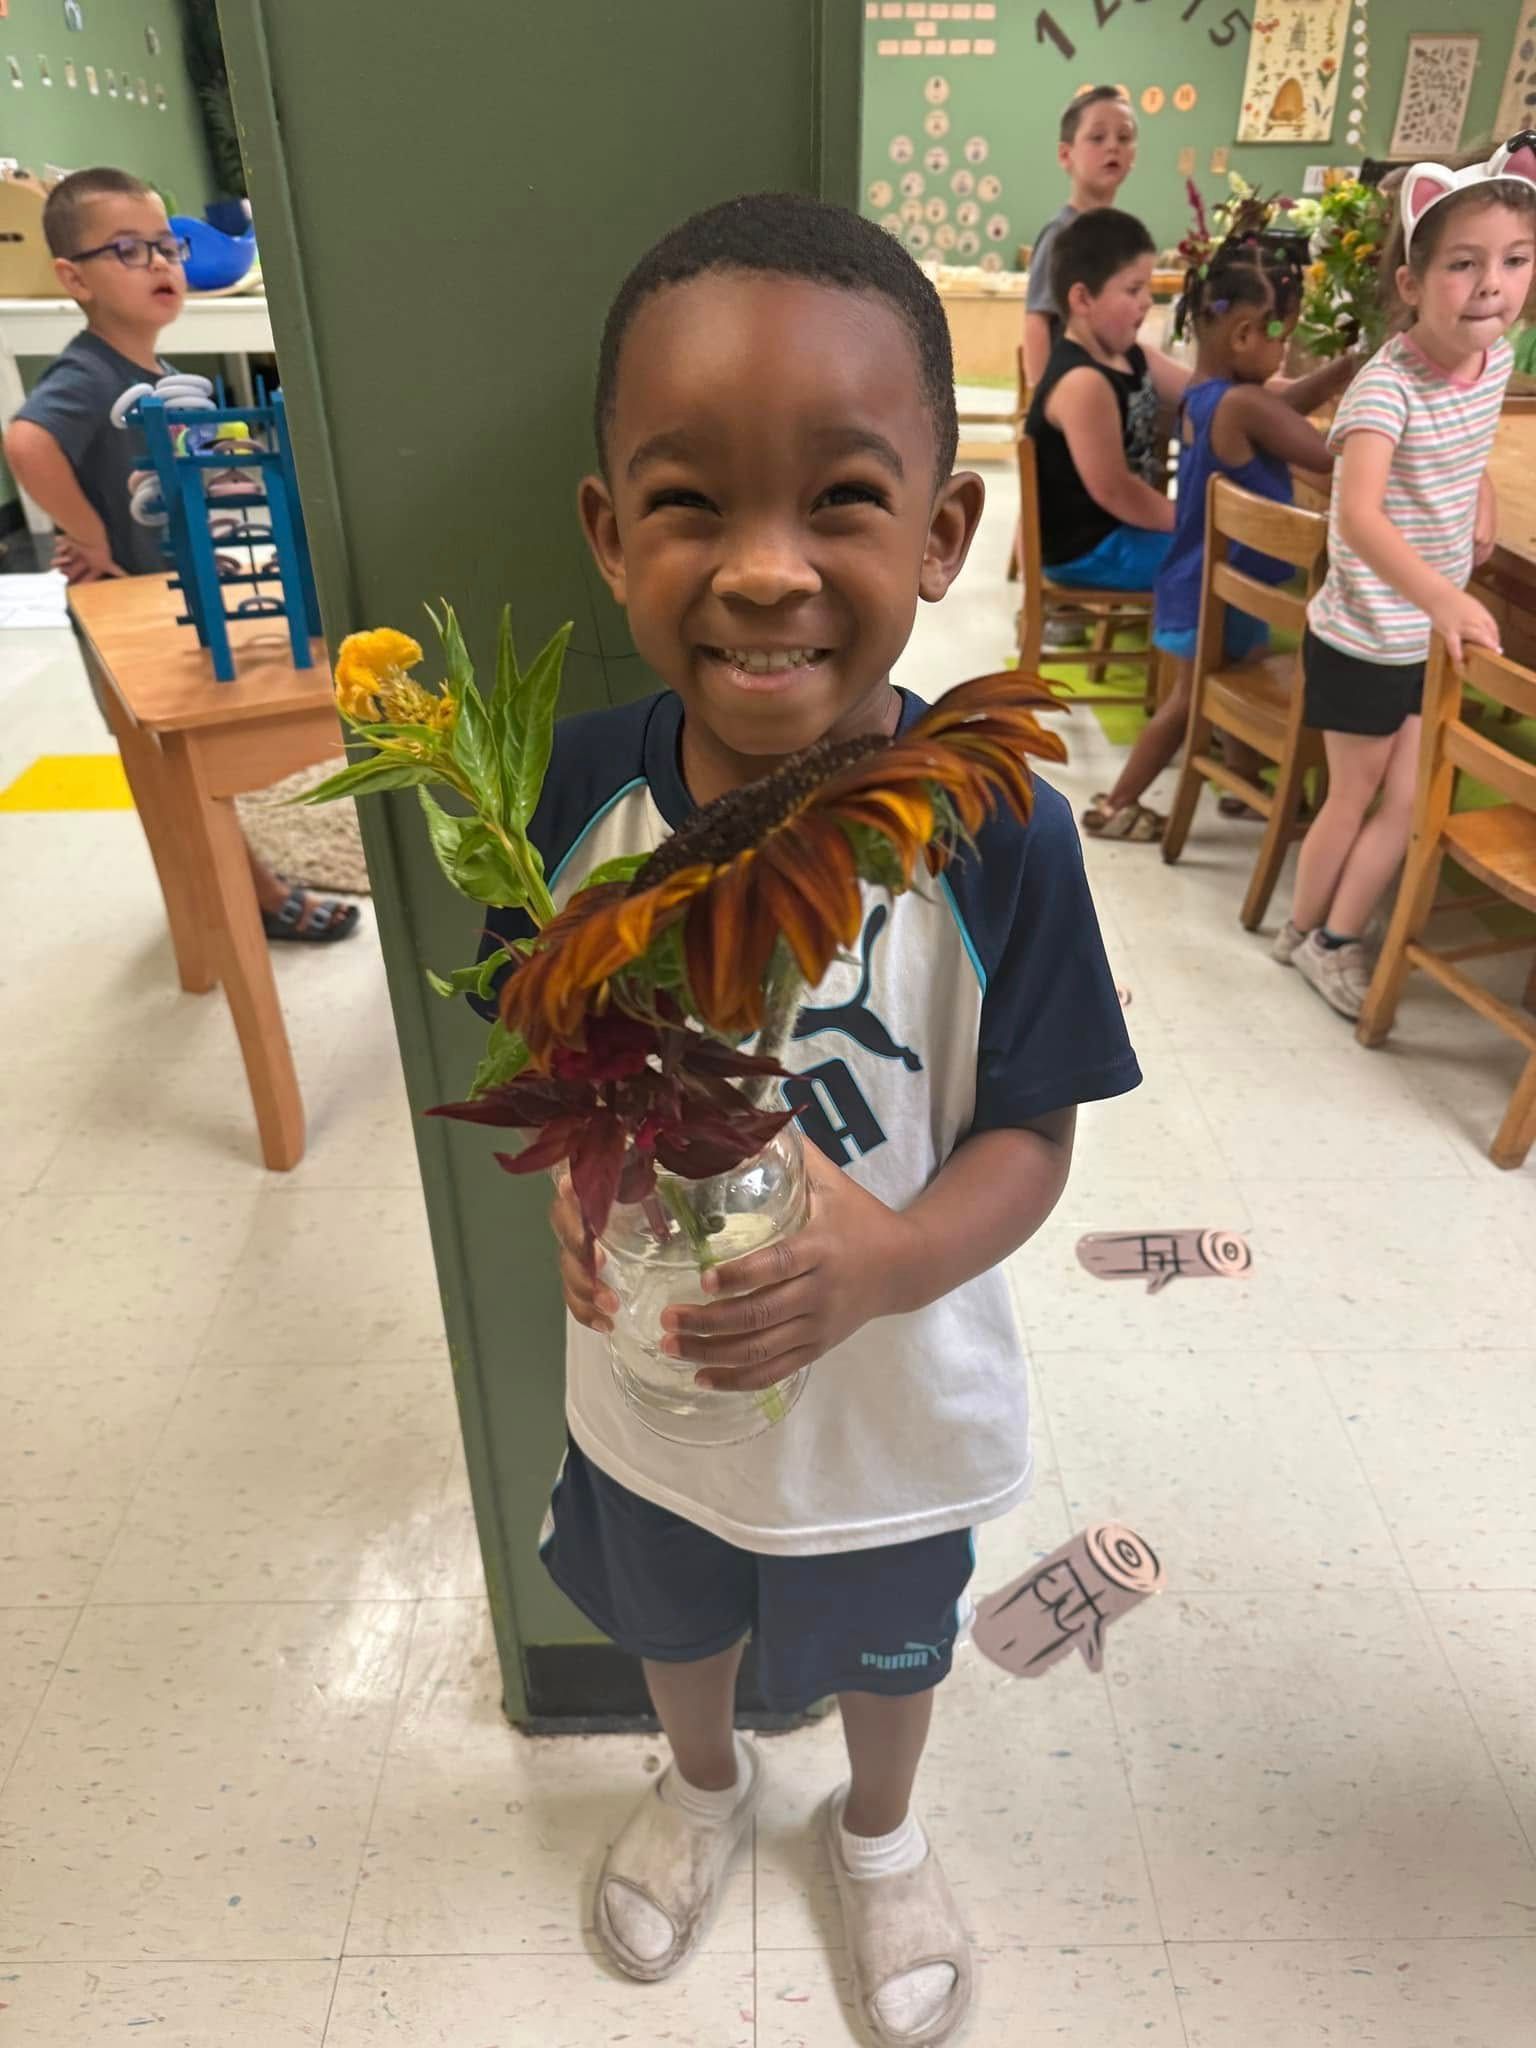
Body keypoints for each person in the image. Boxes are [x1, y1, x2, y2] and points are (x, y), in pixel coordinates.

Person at [476, 192, 1140, 2047]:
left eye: (840, 498)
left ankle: (879, 1826)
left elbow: (1034, 1130)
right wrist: (572, 1177)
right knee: (667, 1605)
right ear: (611, 535)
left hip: (886, 1392)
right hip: (651, 1371)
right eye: (691, 500)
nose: (764, 569)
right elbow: (542, 1042)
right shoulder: (570, 788)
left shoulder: (994, 822)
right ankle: (701, 1788)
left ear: (942, 533)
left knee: (887, 1635)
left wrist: (891, 1258)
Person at [3, 167, 358, 945]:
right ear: (74, 277)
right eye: (129, 250)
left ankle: (225, 891)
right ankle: (250, 897)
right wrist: (89, 535)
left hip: (168, 601)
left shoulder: (149, 373)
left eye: (168, 246)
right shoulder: (90, 372)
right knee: (179, 775)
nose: (162, 264)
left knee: (182, 774)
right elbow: (26, 441)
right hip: (129, 620)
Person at [1278, 136, 1536, 1016]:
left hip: (1426, 634)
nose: (1492, 284)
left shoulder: (1494, 361)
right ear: (1412, 284)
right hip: (1364, 635)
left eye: (1513, 260)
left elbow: (1461, 462)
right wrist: (1443, 594)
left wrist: (1482, 506)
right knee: (1354, 796)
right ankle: (1307, 931)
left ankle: (1332, 935)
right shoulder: (1387, 387)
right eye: (1464, 264)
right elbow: (1357, 516)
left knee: (1409, 795)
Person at [1081, 229, 1354, 840]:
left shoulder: (1209, 398)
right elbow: (1322, 452)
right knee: (1188, 703)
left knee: (1233, 671)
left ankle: (1240, 783)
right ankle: (1115, 804)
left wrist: (1348, 366)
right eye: (1281, 335)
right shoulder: (1243, 407)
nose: (1285, 353)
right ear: (1244, 335)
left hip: (1205, 581)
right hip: (1215, 590)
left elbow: (1283, 408)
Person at [1025, 208, 1186, 608]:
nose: (1148, 302)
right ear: (1082, 298)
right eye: (1133, 290)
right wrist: (1194, 520)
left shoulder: (1131, 356)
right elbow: (1117, 492)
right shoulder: (1083, 383)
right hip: (1087, 549)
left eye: (1147, 289)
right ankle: (1211, 668)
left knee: (1224, 552)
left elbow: (1202, 391)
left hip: (1120, 531)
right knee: (1214, 560)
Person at [1023, 85, 1139, 388]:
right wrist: (1043, 402)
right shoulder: (1062, 235)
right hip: (1072, 394)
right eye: (1097, 138)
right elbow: (1037, 321)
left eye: (1123, 138)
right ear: (1066, 154)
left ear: (1133, 156)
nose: (1112, 146)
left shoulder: (1123, 238)